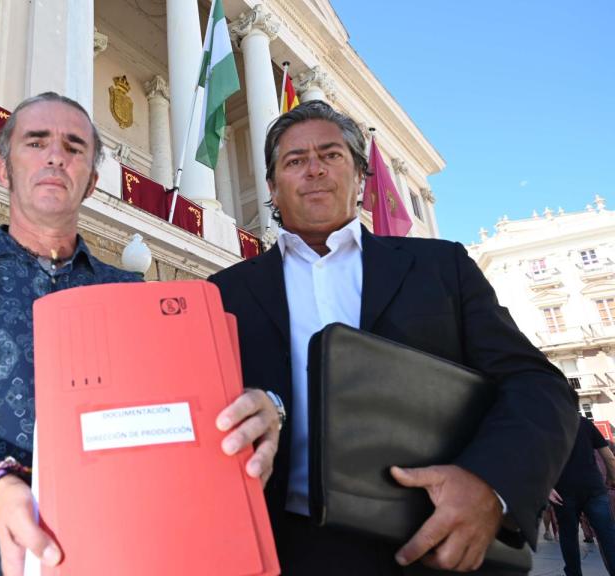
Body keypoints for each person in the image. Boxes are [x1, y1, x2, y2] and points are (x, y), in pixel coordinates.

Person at [0, 92, 281, 576]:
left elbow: (186, 426)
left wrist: (256, 414)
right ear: (4, 169)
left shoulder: (132, 295)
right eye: (36, 142)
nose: (56, 155)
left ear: (91, 182)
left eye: (74, 147)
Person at [208, 100, 578, 575]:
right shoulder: (222, 293)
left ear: (360, 178)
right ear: (272, 188)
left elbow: (536, 383)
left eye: (331, 155)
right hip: (282, 548)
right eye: (295, 161)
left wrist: (490, 481)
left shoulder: (442, 269)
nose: (314, 170)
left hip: (433, 540)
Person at [551, 410, 615, 576]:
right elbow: (609, 457)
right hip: (593, 487)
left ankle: (573, 573)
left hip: (562, 491)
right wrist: (611, 478)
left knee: (569, 537)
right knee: (608, 535)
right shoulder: (584, 423)